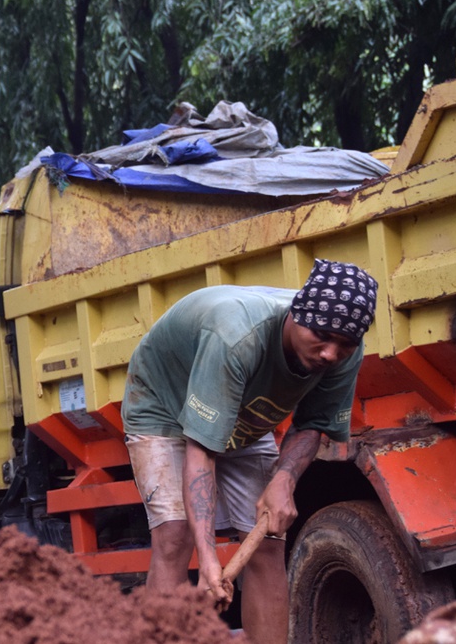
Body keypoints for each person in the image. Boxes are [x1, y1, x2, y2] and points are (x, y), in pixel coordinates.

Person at [121, 259, 377, 644]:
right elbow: (201, 452)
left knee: (269, 540)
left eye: (345, 344)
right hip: (164, 404)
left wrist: (284, 480)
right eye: (321, 336)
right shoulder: (237, 336)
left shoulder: (344, 352)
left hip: (241, 408)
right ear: (296, 314)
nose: (330, 353)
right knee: (175, 536)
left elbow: (312, 424)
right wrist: (209, 562)